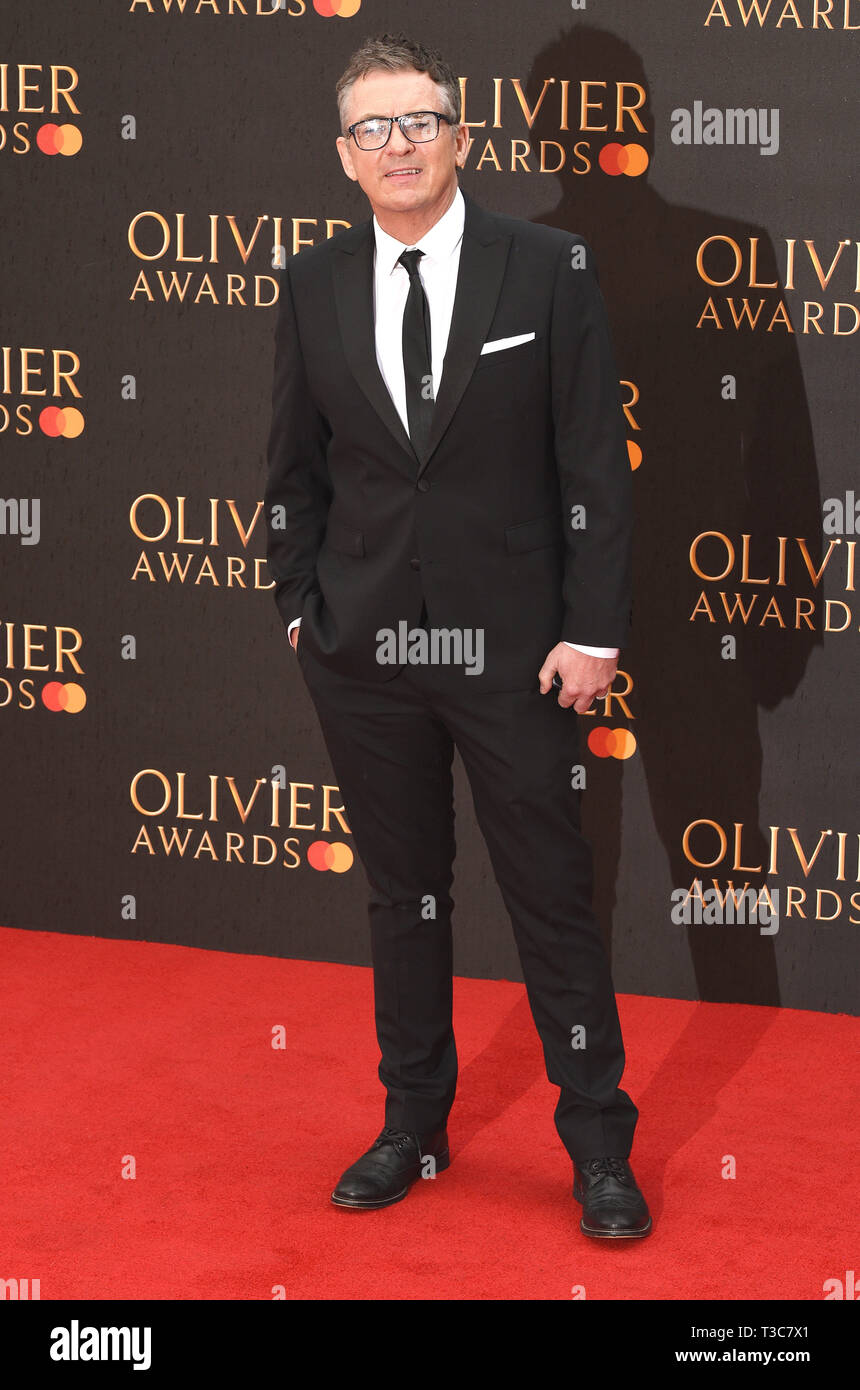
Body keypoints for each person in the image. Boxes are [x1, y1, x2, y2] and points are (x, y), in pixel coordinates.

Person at [265, 31, 650, 1239]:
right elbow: (293, 465)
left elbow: (593, 454)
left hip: (515, 653)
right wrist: (298, 609)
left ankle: (596, 1144)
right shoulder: (313, 282)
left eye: (419, 121)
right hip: (365, 653)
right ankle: (411, 1122)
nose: (399, 144)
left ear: (461, 136)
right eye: (373, 128)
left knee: (549, 896)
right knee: (403, 899)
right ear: (342, 155)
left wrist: (593, 630)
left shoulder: (543, 267)